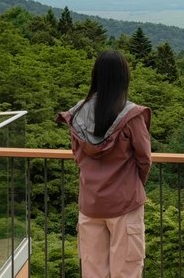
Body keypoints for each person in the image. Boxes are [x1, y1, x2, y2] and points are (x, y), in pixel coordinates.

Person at [56, 50, 152, 277]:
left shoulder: (78, 113)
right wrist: (134, 184)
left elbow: (77, 156)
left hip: (90, 203)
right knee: (127, 270)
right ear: (123, 78)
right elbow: (144, 159)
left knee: (93, 271)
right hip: (125, 203)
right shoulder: (132, 116)